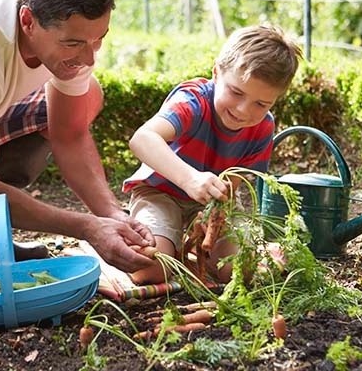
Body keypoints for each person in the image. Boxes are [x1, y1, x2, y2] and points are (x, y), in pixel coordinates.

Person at [0, 0, 156, 271]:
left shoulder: (73, 34)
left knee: (89, 95)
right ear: (27, 21)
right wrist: (86, 227)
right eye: (73, 43)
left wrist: (112, 216)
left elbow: (70, 134)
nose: (88, 58)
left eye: (98, 39)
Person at [123, 25, 302, 285]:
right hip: (160, 192)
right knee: (149, 270)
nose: (243, 110)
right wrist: (189, 179)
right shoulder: (192, 101)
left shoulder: (263, 127)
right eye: (236, 92)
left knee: (237, 273)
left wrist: (212, 216)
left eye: (261, 104)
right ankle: (161, 243)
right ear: (216, 72)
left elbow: (233, 185)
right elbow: (142, 139)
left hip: (214, 204)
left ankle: (199, 252)